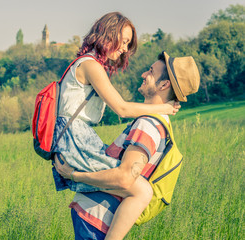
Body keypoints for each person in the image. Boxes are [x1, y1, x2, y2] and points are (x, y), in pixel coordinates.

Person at [51, 11, 179, 240]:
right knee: (141, 190)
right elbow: (122, 109)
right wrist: (163, 108)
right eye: (125, 41)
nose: (125, 49)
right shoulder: (90, 66)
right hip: (74, 137)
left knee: (134, 185)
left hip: (78, 137)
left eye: (129, 44)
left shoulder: (91, 65)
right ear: (108, 34)